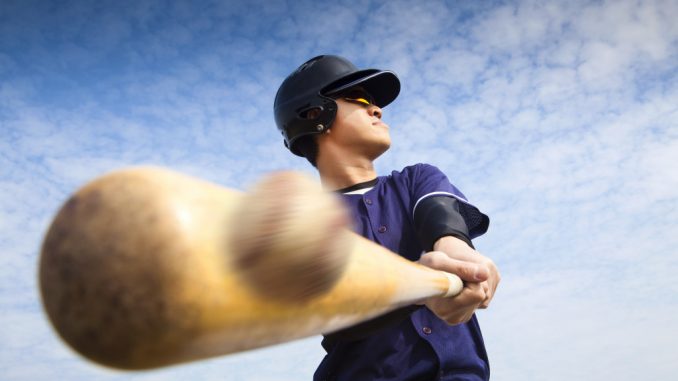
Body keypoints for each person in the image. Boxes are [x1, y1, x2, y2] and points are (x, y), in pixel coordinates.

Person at [273, 55, 500, 381]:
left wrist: (460, 256)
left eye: (375, 102)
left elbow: (441, 216)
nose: (377, 109)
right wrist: (415, 286)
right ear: (314, 114)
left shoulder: (416, 179)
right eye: (359, 98)